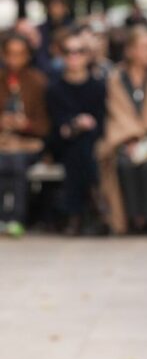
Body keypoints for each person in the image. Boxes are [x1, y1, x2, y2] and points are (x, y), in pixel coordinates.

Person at [96, 26, 147, 234]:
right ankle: (133, 219)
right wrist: (130, 139)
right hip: (122, 140)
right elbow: (116, 112)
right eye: (145, 47)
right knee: (124, 164)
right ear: (131, 50)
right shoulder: (115, 78)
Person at [46, 28, 106, 235]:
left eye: (79, 51)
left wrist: (81, 125)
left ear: (87, 55)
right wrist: (75, 124)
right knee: (78, 146)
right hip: (62, 143)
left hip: (89, 143)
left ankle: (75, 215)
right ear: (61, 55)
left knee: (80, 148)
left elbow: (101, 123)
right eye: (68, 51)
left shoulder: (98, 87)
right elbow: (56, 126)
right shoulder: (54, 88)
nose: (74, 56)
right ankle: (95, 201)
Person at [0, 32, 50, 236]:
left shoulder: (38, 81)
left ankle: (16, 218)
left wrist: (26, 124)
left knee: (16, 163)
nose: (15, 59)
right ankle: (3, 217)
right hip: (3, 143)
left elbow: (46, 124)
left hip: (28, 144)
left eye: (20, 54)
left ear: (28, 55)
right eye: (11, 54)